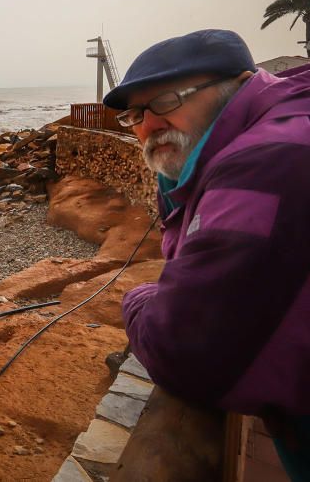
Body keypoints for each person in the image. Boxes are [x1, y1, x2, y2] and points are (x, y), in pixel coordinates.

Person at [102, 28, 310, 479]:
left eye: (166, 101)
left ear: (235, 84)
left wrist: (138, 297)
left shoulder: (264, 164)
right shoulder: (273, 132)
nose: (146, 125)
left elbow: (184, 350)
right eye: (135, 113)